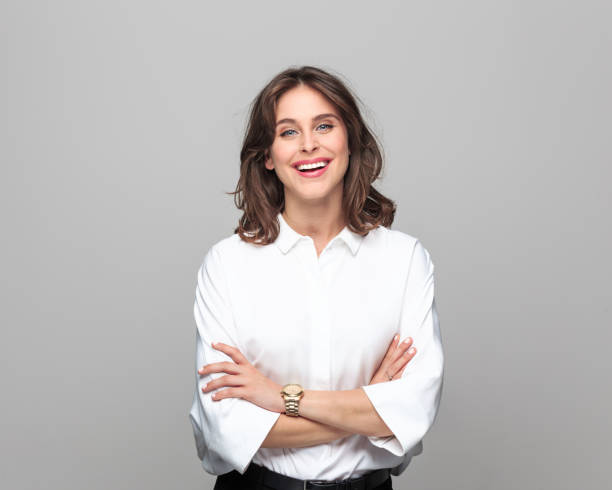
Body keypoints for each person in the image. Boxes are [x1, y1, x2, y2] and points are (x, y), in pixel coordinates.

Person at [188, 65, 444, 490]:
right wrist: (369, 406)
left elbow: (414, 414)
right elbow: (226, 431)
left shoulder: (405, 261)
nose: (309, 144)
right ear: (267, 155)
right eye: (288, 132)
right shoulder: (227, 265)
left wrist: (281, 399)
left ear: (350, 140)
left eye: (324, 125)